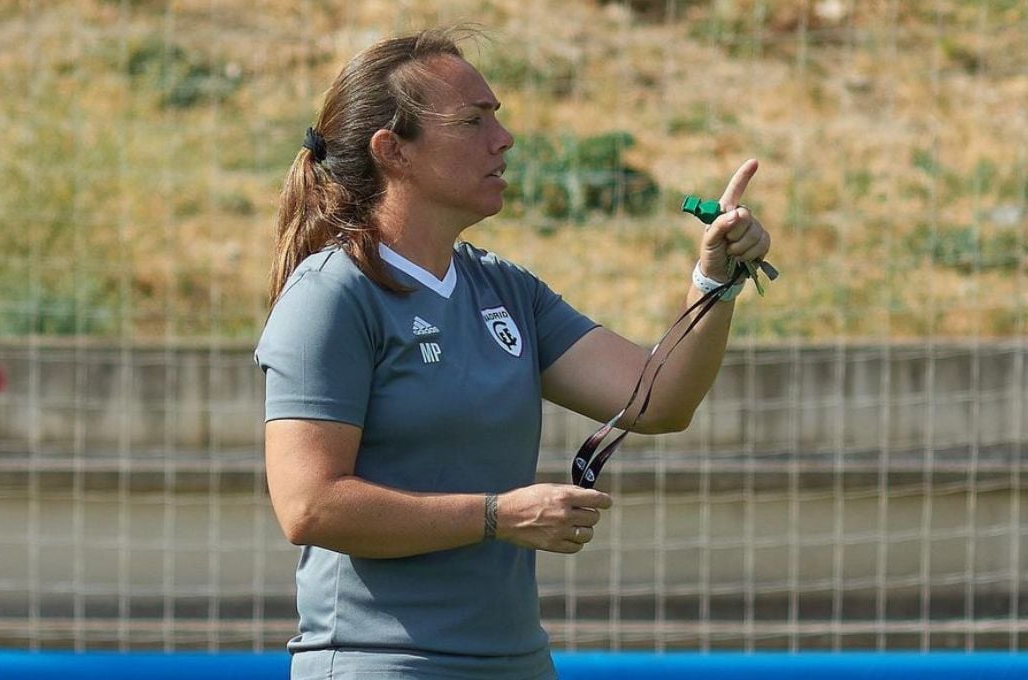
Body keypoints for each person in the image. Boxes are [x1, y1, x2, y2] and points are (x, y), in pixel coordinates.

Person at [254, 27, 772, 680]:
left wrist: (714, 282)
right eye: (473, 121)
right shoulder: (332, 295)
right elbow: (310, 506)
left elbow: (657, 399)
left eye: (496, 117)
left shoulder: (503, 289)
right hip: (379, 663)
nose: (504, 139)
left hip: (517, 663)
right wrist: (498, 516)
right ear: (394, 151)